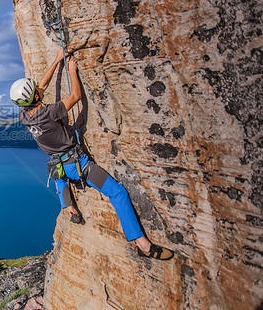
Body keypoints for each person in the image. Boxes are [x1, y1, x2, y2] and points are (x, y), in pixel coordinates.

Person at [10, 48, 174, 260]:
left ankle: (68, 207)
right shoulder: (49, 113)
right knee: (118, 193)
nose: (39, 88)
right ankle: (142, 244)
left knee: (61, 179)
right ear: (35, 96)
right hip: (77, 165)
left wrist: (56, 60)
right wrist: (71, 70)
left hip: (57, 167)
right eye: (35, 90)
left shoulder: (24, 115)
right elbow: (76, 96)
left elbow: (42, 86)